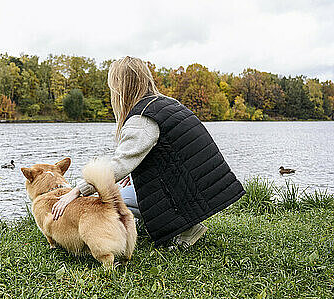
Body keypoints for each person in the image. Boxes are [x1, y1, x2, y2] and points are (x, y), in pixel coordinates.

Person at [51, 56, 245, 248]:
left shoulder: (142, 118)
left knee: (113, 199)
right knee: (125, 189)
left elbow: (118, 164)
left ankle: (185, 228)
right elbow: (160, 154)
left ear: (120, 88)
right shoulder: (166, 103)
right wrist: (132, 174)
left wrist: (76, 192)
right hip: (204, 188)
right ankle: (181, 221)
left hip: (189, 194)